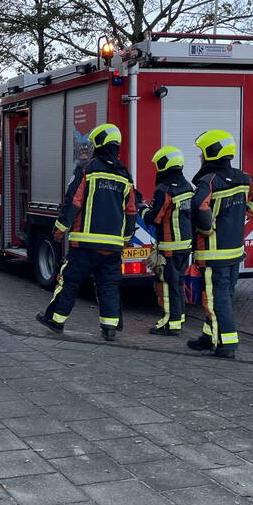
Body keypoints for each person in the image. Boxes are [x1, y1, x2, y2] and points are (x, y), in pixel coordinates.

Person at [36, 123, 137, 342]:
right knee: (108, 285)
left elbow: (73, 202)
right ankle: (109, 328)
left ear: (99, 143)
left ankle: (56, 320)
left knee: (70, 281)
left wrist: (59, 229)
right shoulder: (125, 174)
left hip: (84, 244)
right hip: (112, 246)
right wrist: (126, 239)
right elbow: (131, 211)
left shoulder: (88, 169)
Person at [187, 129, 253, 359]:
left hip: (213, 253)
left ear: (211, 152)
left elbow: (199, 206)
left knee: (217, 298)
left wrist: (206, 229)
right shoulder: (243, 178)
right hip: (235, 252)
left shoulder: (209, 181)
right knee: (223, 295)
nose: (200, 157)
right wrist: (247, 213)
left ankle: (227, 345)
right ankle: (208, 337)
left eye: (202, 153)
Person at [140, 146, 194, 336]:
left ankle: (171, 325)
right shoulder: (187, 186)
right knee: (178, 283)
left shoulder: (164, 190)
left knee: (168, 285)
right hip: (185, 247)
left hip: (170, 248)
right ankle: (178, 319)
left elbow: (154, 218)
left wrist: (142, 209)